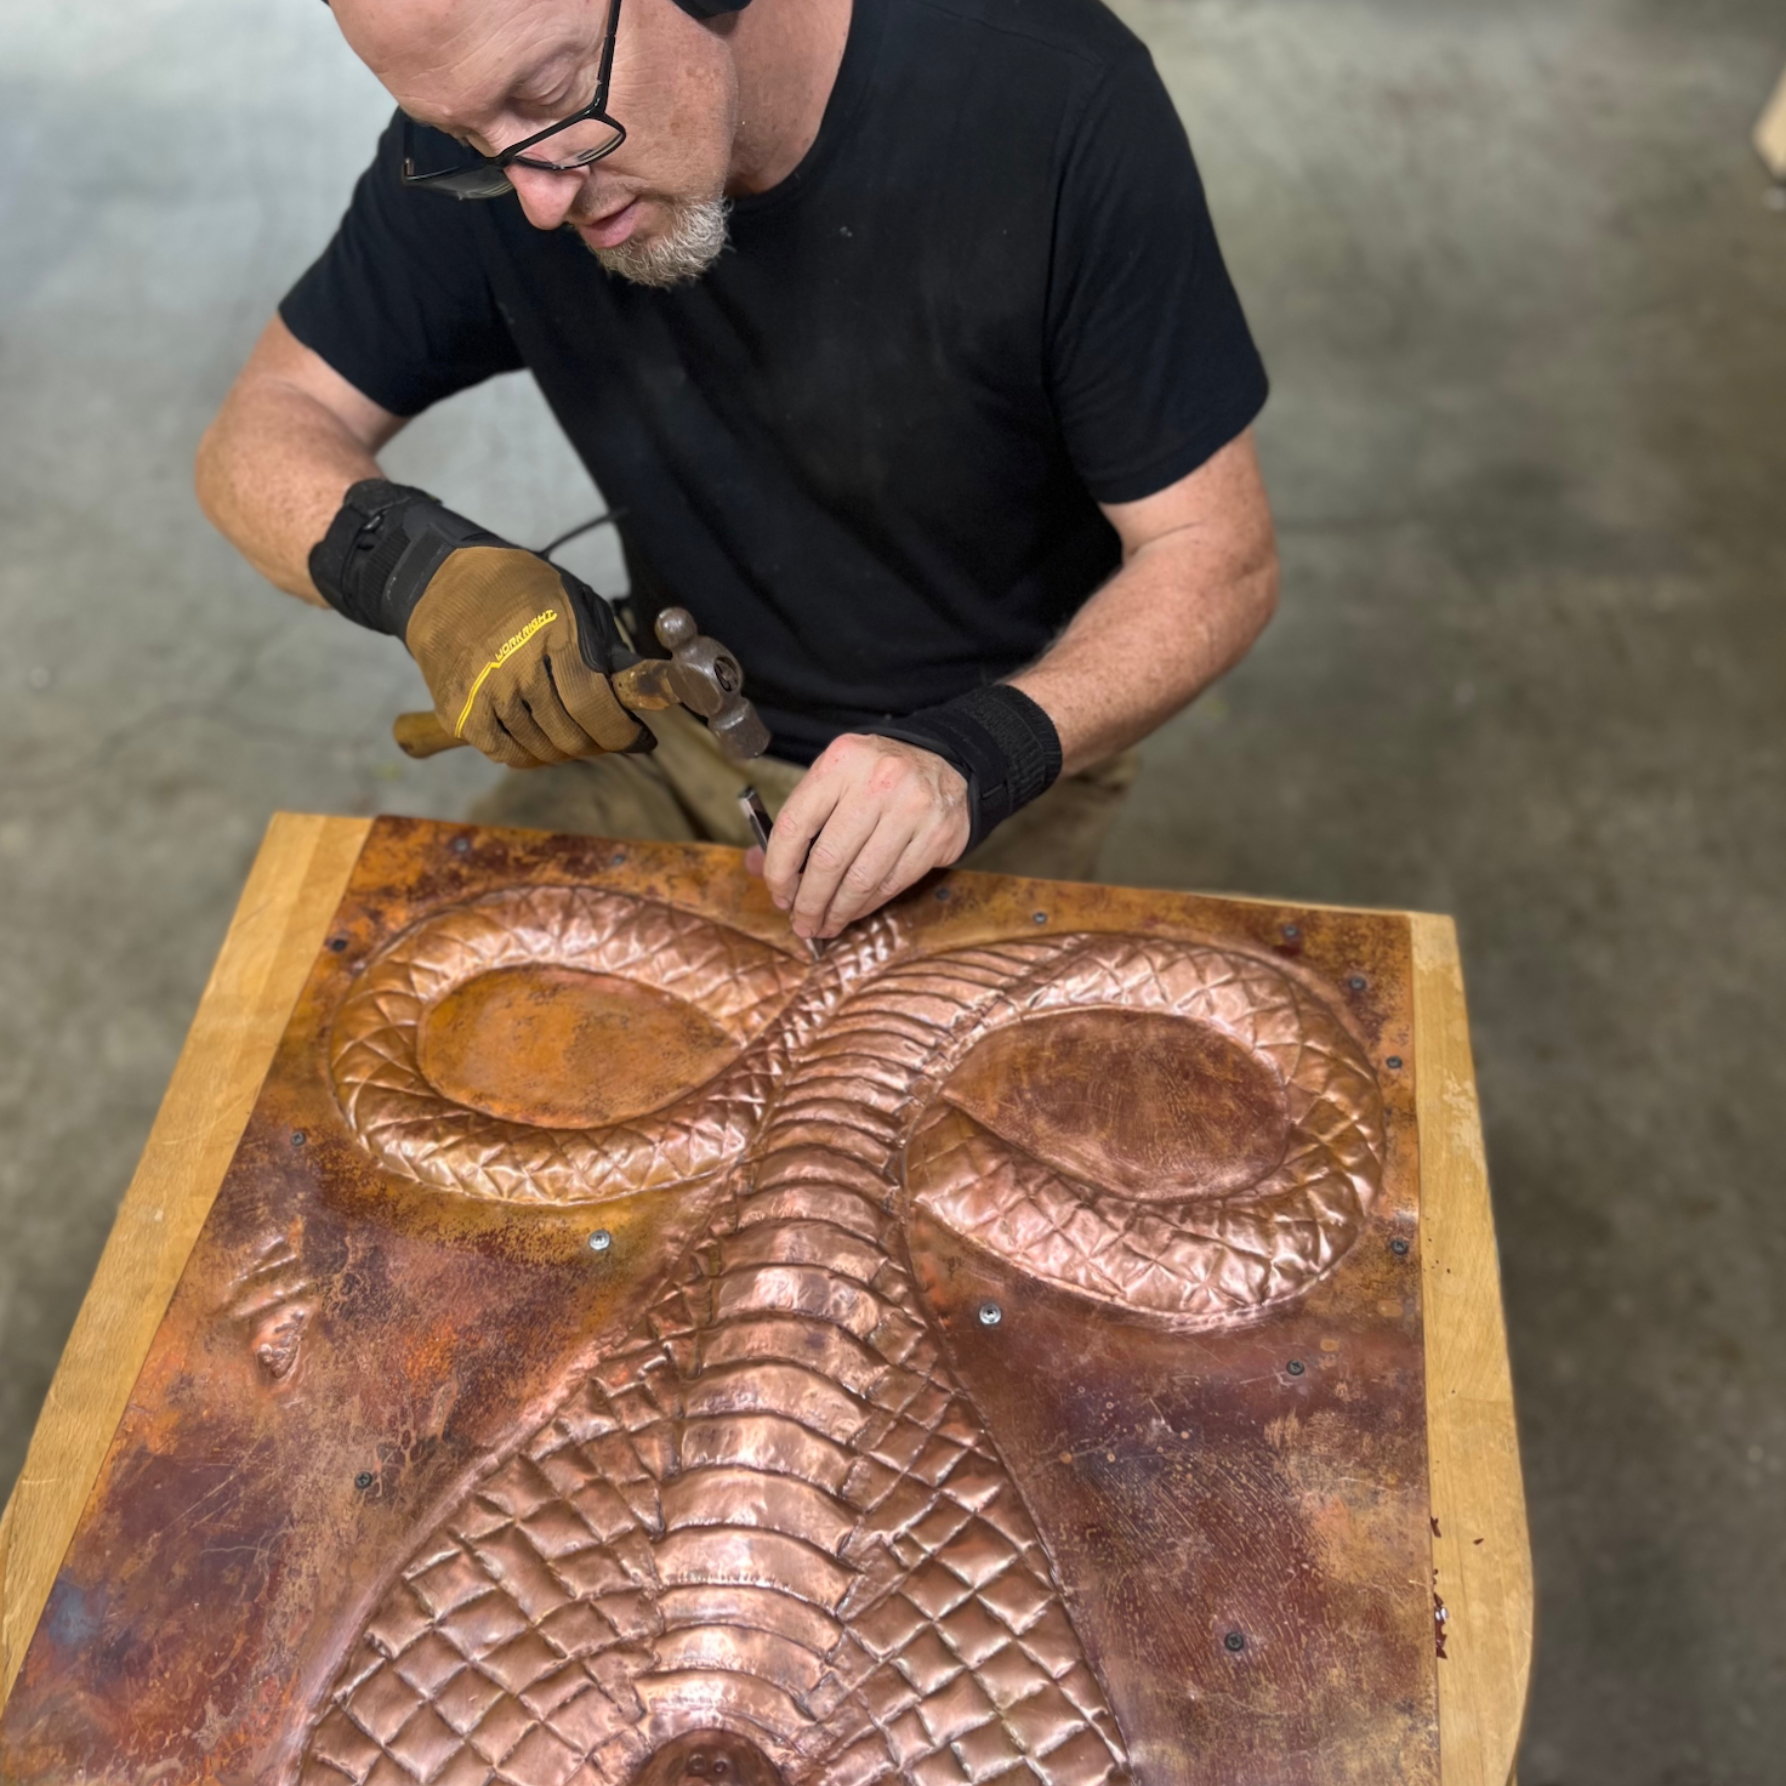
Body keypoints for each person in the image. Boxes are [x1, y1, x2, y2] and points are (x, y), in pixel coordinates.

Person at [196, 0, 1279, 943]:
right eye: (464, 135)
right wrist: (425, 576)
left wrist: (976, 753)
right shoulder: (502, 152)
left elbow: (1213, 554)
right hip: (667, 730)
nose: (534, 199)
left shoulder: (1054, 102)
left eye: (554, 93)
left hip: (989, 773)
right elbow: (258, 432)